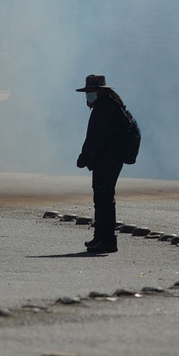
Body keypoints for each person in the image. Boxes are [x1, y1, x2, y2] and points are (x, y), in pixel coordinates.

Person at [75, 74, 128, 254]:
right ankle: (100, 237)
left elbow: (96, 137)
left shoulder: (103, 108)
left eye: (91, 91)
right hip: (109, 159)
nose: (88, 95)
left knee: (104, 200)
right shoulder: (109, 105)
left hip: (108, 159)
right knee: (102, 199)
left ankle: (107, 241)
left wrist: (84, 157)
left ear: (100, 91)